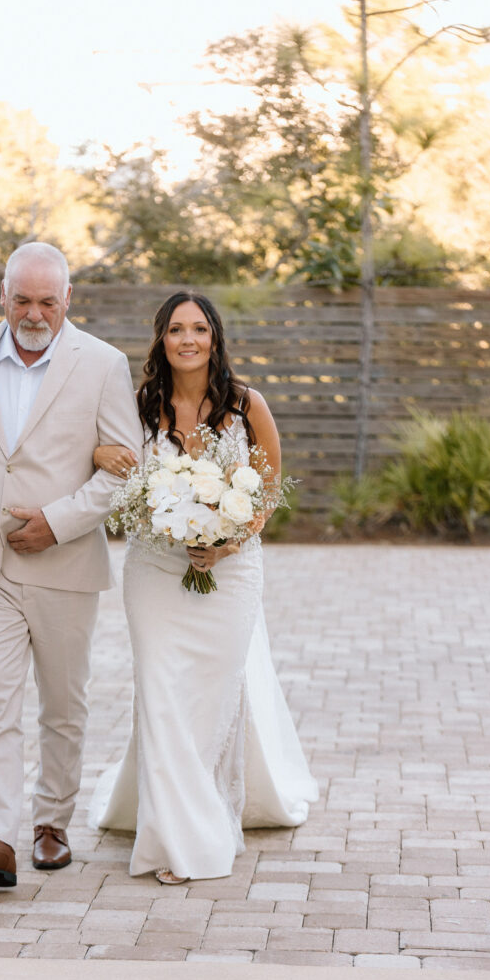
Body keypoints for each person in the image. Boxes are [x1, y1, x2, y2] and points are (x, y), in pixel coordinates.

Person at [0, 242, 143, 887]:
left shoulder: (102, 363)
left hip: (65, 566)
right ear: (2, 297)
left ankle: (52, 823)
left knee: (63, 706)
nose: (34, 313)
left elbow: (128, 466)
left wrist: (58, 521)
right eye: (22, 299)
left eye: (47, 300)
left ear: (68, 300)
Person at [89, 291, 318, 883]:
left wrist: (228, 540)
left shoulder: (247, 405)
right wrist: (100, 451)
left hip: (233, 569)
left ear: (215, 338)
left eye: (198, 329)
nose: (187, 339)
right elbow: (98, 454)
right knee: (162, 695)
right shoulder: (138, 406)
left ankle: (201, 819)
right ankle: (176, 836)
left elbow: (266, 488)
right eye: (175, 329)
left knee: (210, 698)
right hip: (154, 570)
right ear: (160, 339)